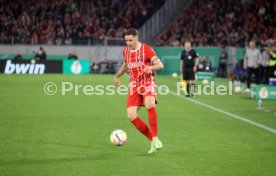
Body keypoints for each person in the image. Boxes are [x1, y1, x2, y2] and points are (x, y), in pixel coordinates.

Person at [114, 28, 164, 154]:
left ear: (136, 38)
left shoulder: (146, 49)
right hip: (134, 85)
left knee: (150, 104)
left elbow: (160, 65)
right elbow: (126, 65)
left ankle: (156, 137)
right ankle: (152, 140)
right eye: (126, 41)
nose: (128, 43)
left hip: (147, 82)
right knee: (131, 116)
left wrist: (150, 67)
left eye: (130, 40)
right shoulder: (126, 51)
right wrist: (117, 76)